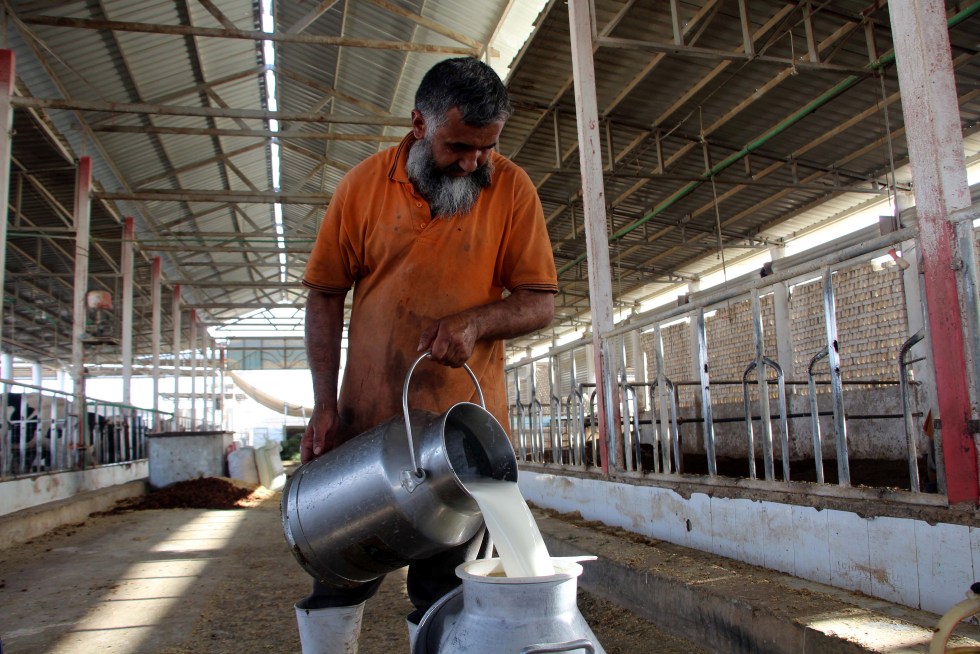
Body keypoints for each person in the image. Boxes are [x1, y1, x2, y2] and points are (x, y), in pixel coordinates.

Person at [296, 57, 557, 653]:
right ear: (419, 123)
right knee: (338, 573)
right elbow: (325, 294)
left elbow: (539, 301)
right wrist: (324, 405)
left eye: (486, 148)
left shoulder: (512, 190)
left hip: (461, 437)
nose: (473, 162)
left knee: (448, 591)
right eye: (458, 146)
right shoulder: (363, 187)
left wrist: (478, 321)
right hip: (366, 429)